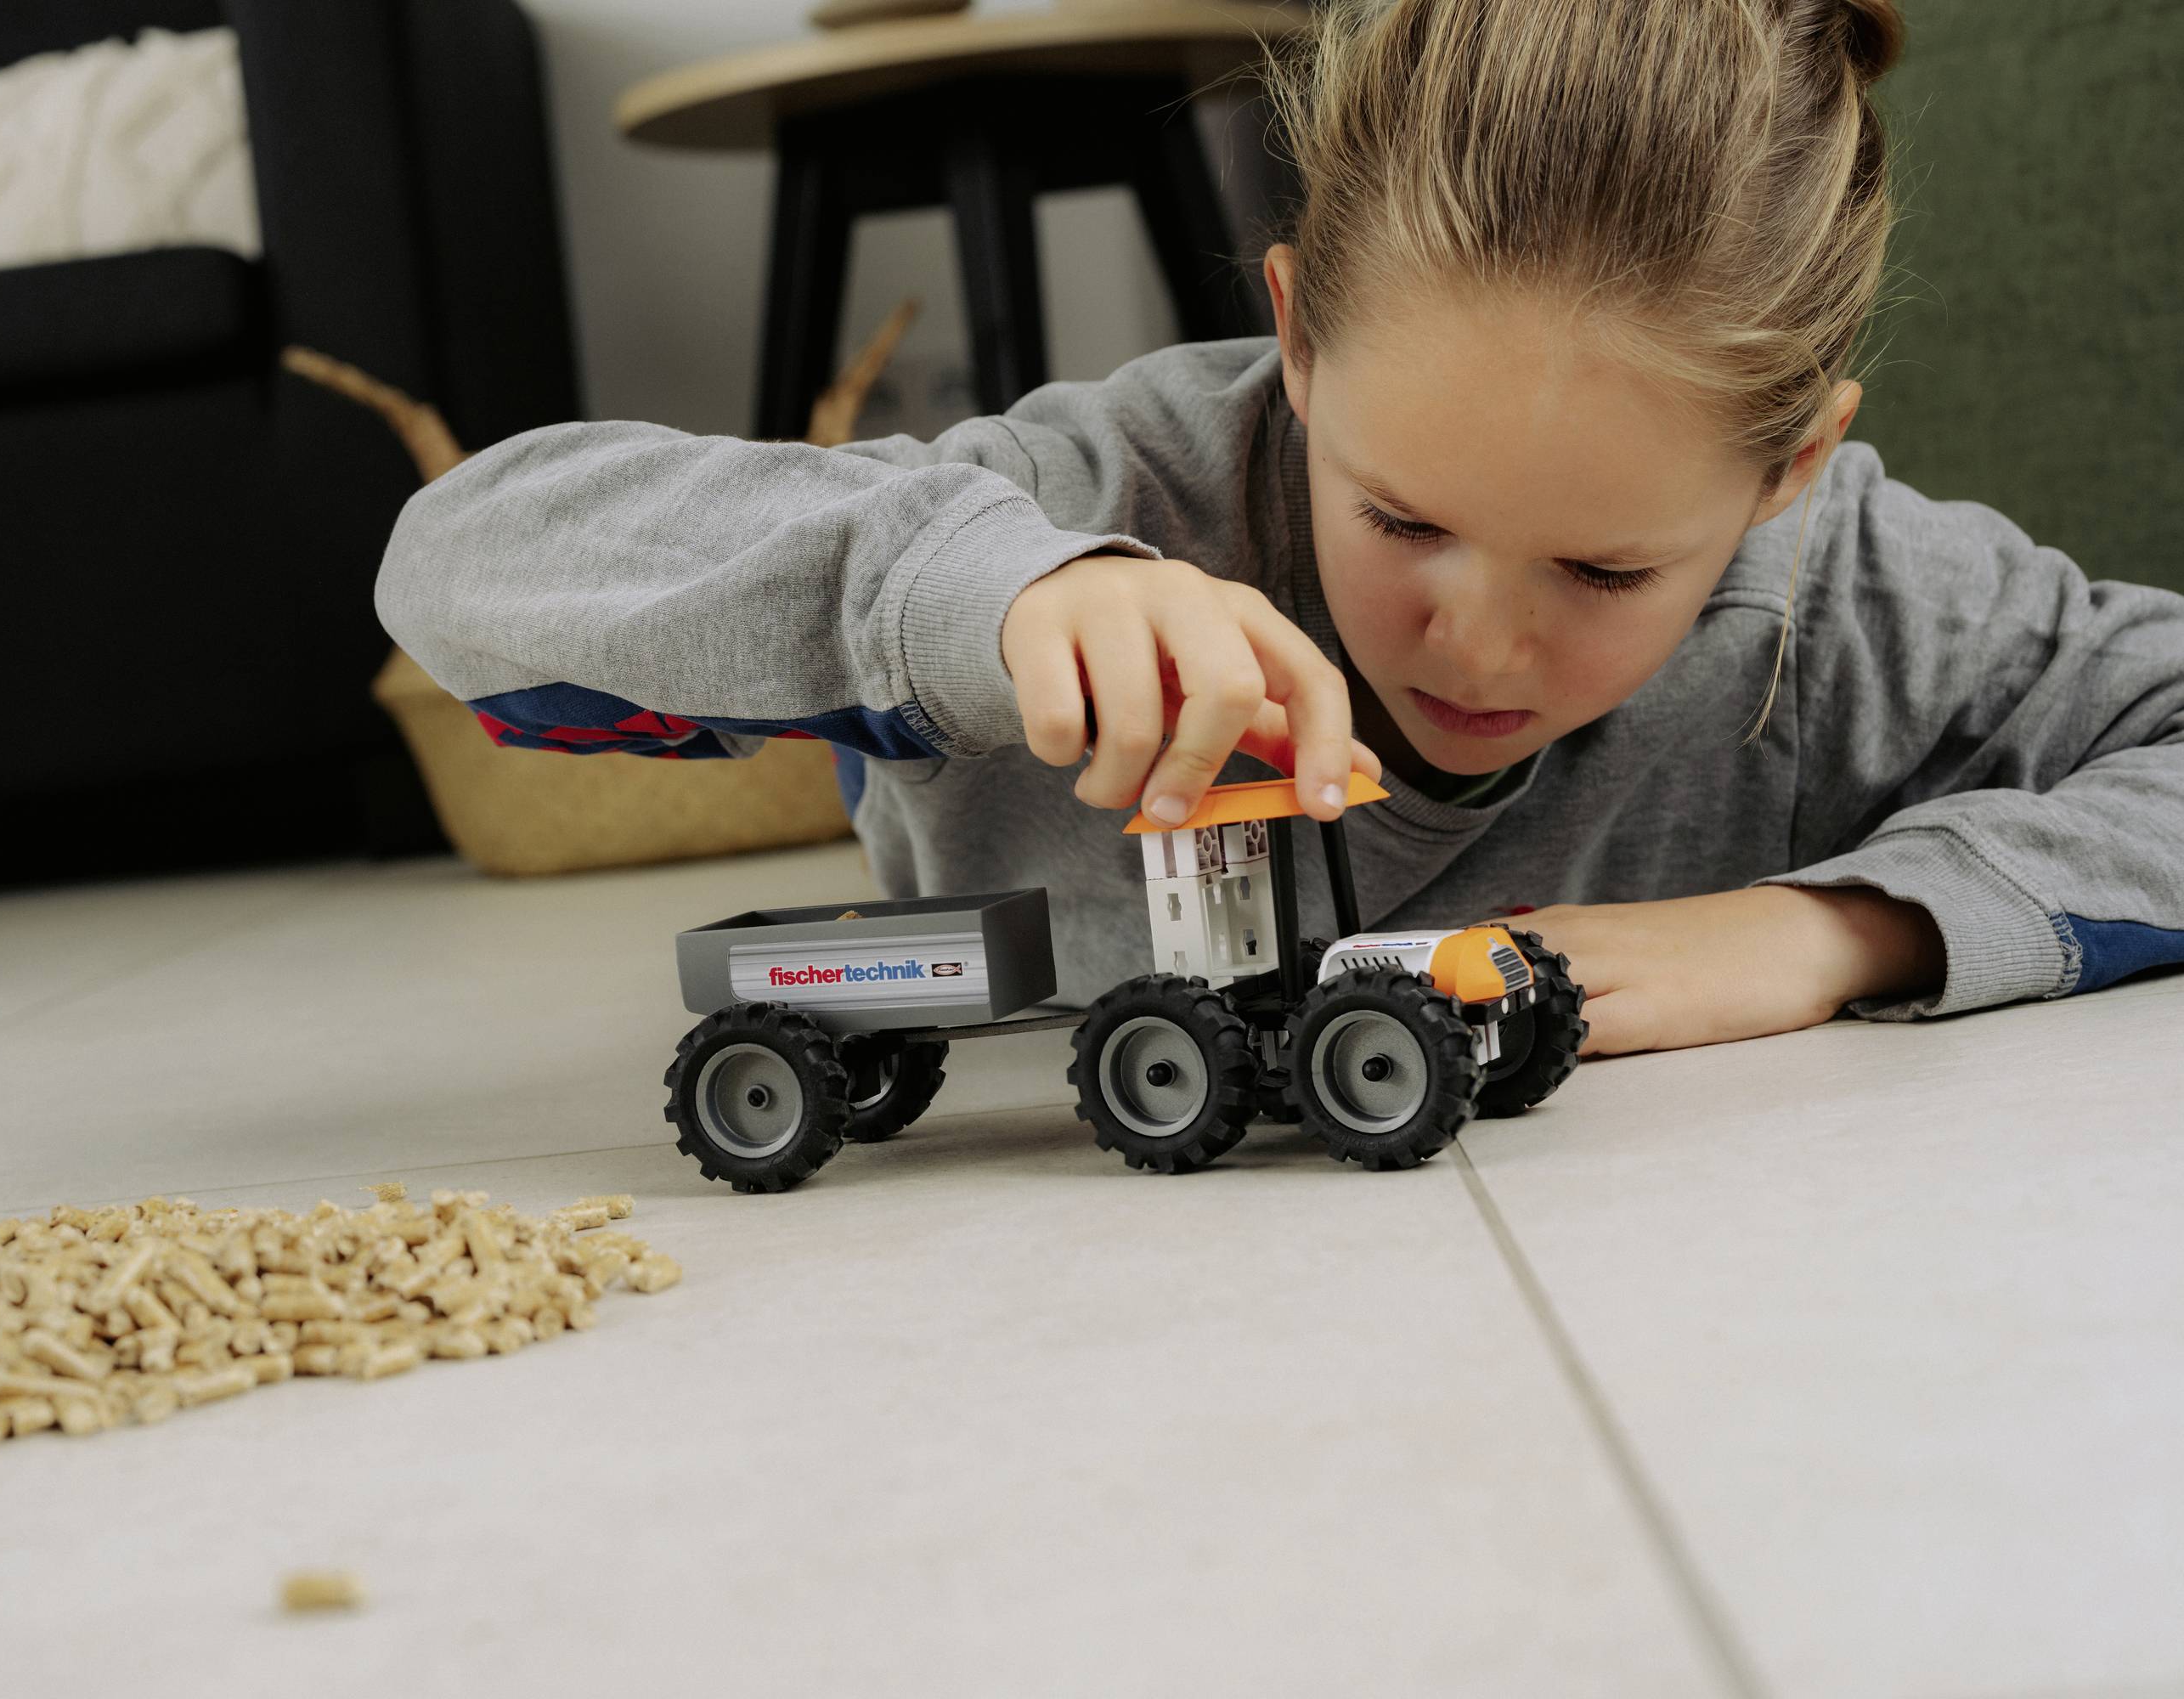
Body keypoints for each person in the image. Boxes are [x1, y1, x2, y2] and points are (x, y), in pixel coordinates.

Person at [375, 0, 2184, 1057]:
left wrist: (1832, 930)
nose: (1476, 645)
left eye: (1608, 572)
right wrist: (976, 591)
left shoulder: (1853, 592)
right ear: (1300, 340)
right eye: (1404, 518)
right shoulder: (1094, 500)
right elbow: (459, 563)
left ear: (1788, 469)